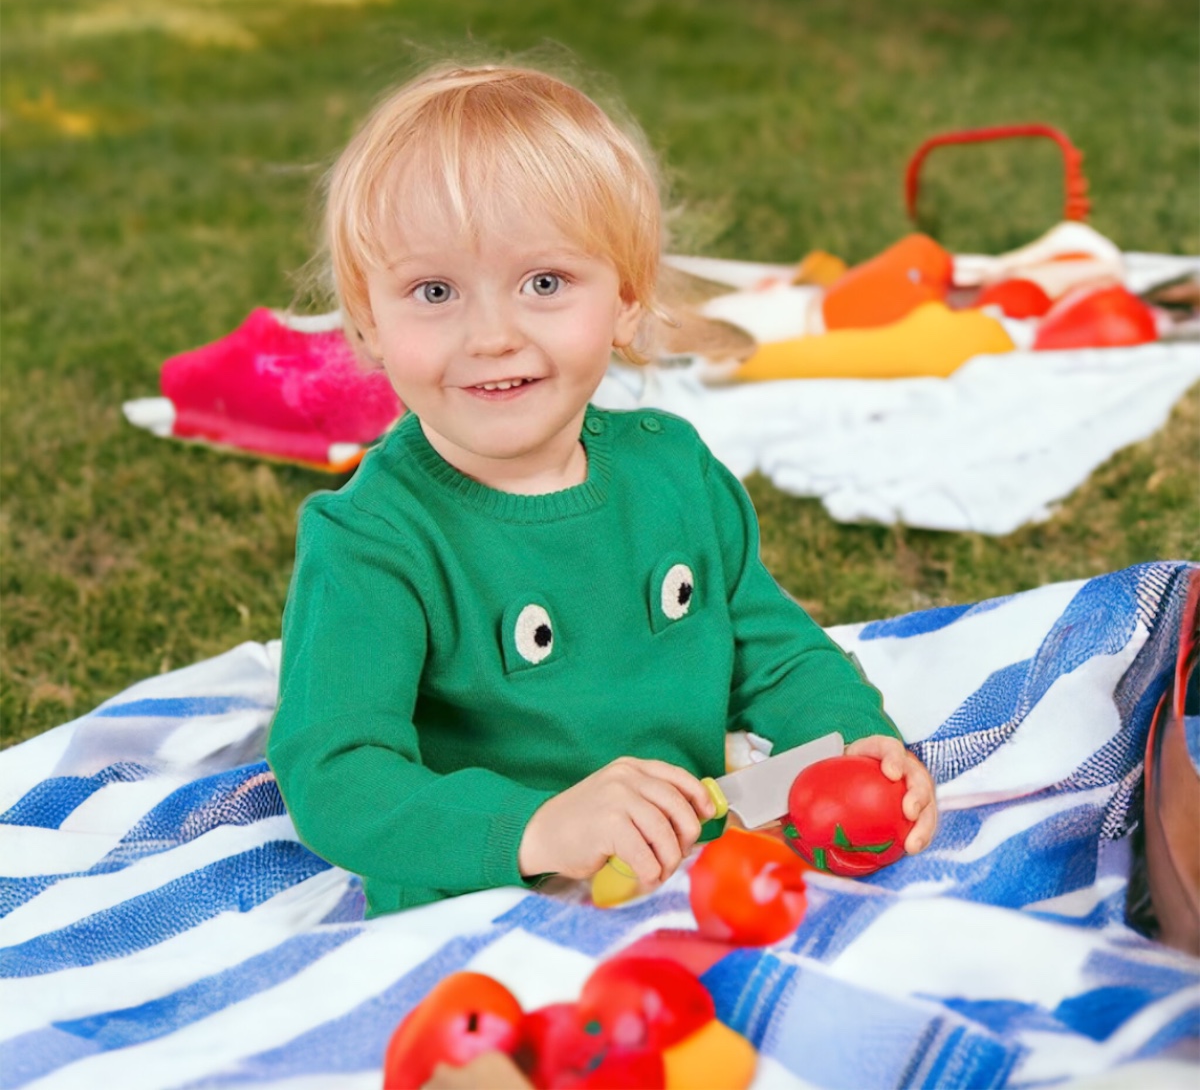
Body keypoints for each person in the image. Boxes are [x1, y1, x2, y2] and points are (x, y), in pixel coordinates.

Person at [267, 62, 938, 918]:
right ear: (367, 323)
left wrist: (859, 741)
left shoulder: (673, 472)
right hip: (481, 908)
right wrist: (538, 828)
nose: (493, 336)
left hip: (694, 873)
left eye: (544, 284)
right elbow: (338, 775)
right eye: (434, 292)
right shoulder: (373, 540)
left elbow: (768, 647)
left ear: (624, 299)